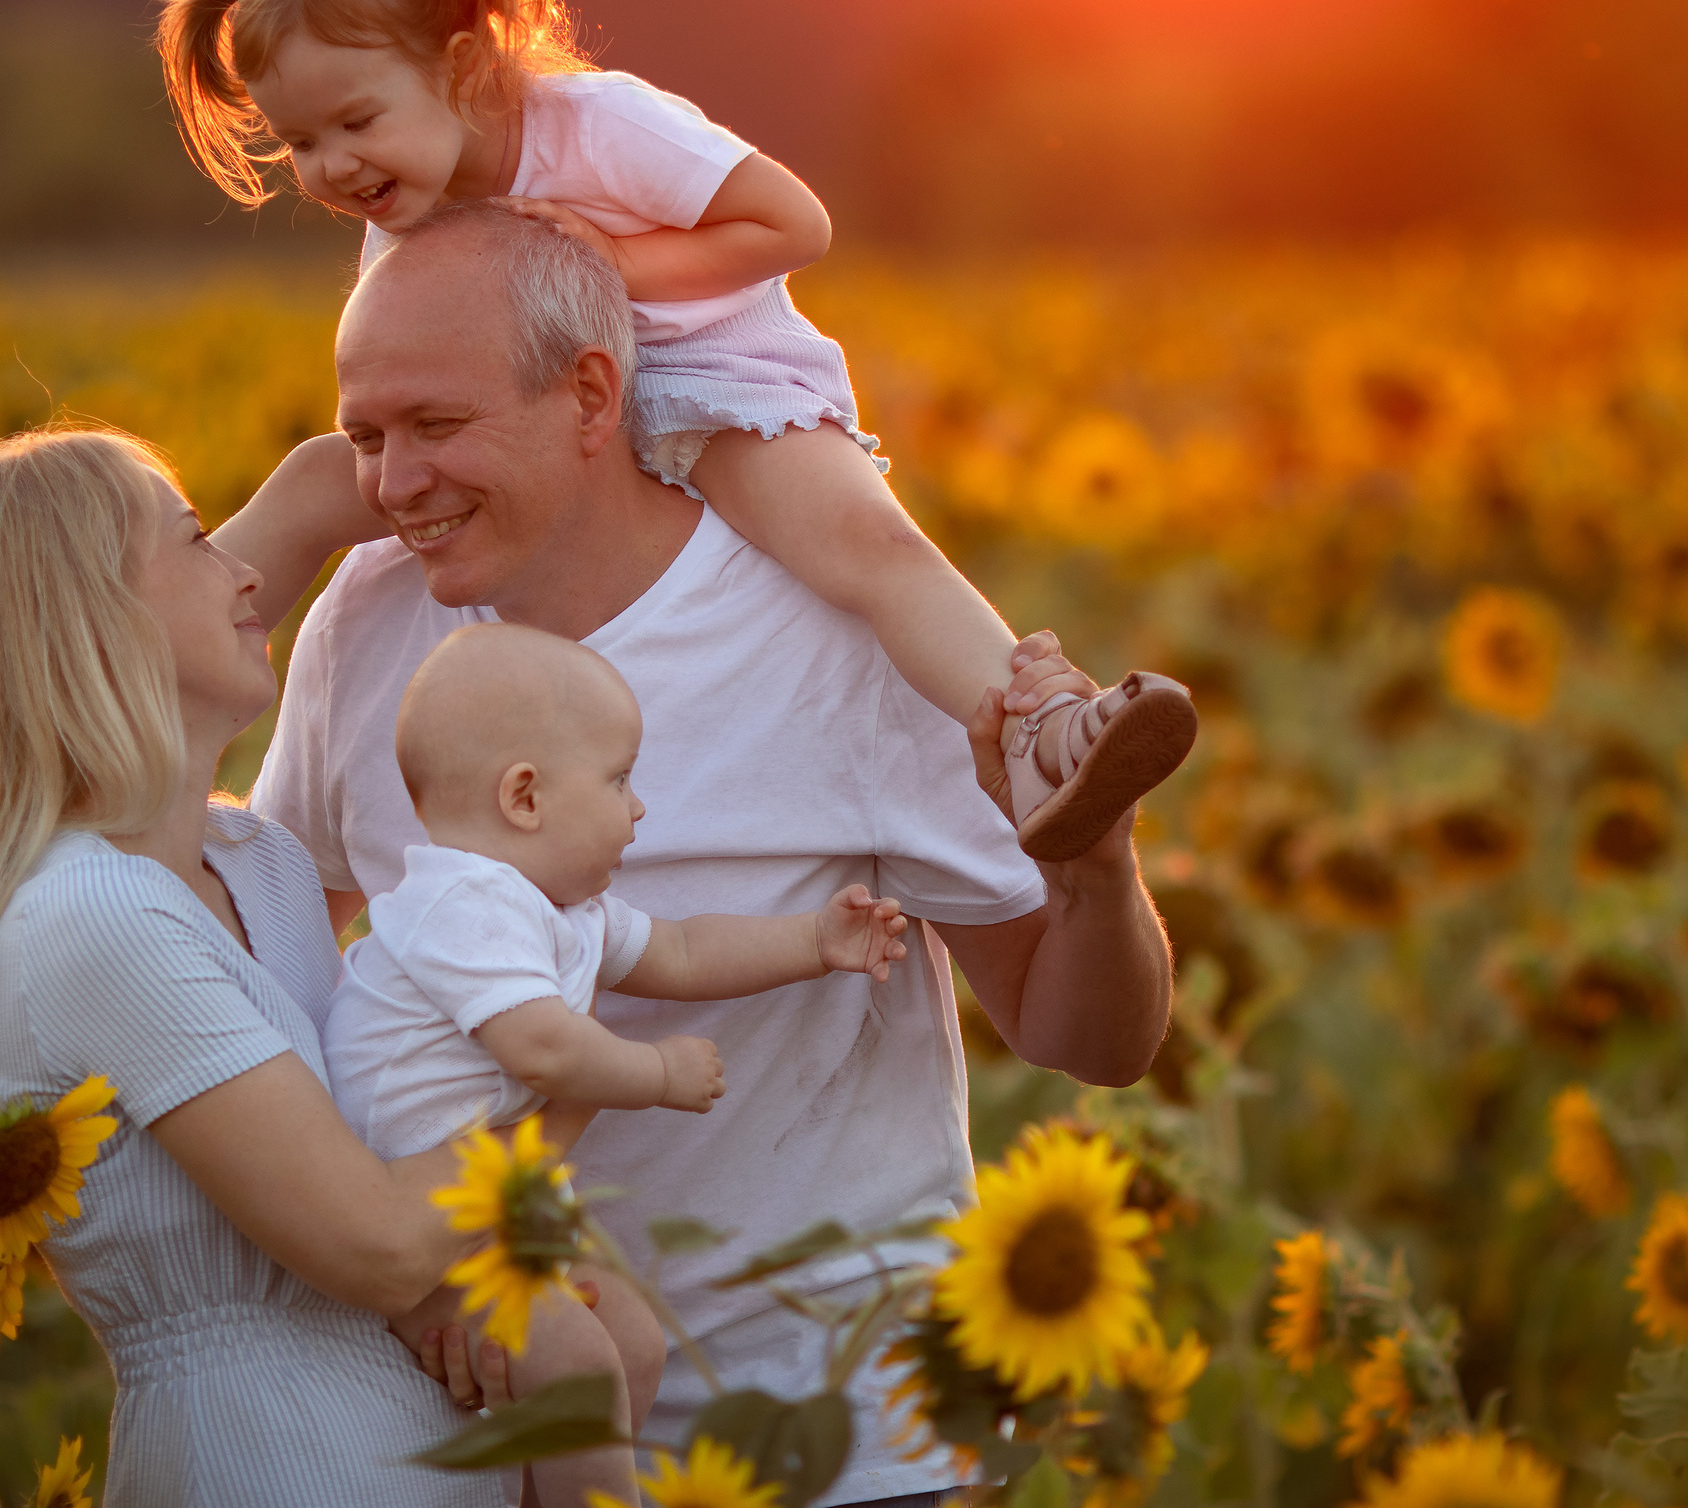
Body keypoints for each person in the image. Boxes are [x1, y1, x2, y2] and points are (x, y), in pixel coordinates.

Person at [239, 201, 1177, 1507]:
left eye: (437, 426)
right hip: (508, 1429)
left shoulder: (831, 628)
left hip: (840, 1426)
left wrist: (1096, 875)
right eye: (365, 436)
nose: (394, 484)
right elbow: (280, 982)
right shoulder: (366, 620)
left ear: (590, 393)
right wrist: (411, 1262)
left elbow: (1090, 1039)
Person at [159, 0, 1196, 862]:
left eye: (356, 121)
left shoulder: (598, 125)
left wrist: (613, 266)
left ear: (462, 65)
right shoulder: (400, 204)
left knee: (864, 546)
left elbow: (793, 225)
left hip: (710, 385)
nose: (333, 166)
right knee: (313, 481)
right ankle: (141, 669)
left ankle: (1039, 733)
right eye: (300, 142)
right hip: (550, 420)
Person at [0, 427, 514, 1507]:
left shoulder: (260, 862)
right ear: (83, 623)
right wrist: (568, 1075)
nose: (246, 573)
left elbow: (385, 1155)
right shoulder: (89, 917)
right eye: (195, 539)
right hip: (271, 1463)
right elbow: (378, 1243)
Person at [325, 620, 912, 1458]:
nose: (638, 806)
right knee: (577, 1367)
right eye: (619, 778)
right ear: (525, 797)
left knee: (633, 1343)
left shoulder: (565, 910)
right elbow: (542, 1047)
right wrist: (657, 1071)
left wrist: (814, 940)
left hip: (496, 1217)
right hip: (414, 1227)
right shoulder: (463, 904)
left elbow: (682, 950)